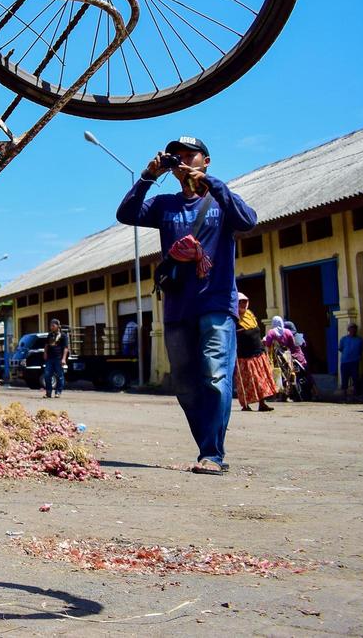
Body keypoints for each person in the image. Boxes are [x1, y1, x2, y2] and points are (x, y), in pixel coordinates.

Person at [117, 135, 256, 475]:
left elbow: (248, 221)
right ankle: (207, 445)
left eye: (189, 156)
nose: (182, 161)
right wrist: (149, 175)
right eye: (175, 156)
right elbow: (126, 214)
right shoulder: (165, 205)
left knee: (215, 374)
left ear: (205, 161)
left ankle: (213, 453)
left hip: (216, 303)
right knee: (185, 383)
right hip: (178, 308)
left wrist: (212, 185)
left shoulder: (221, 201)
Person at [232, 294, 275, 412]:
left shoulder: (250, 315)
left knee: (261, 379)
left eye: (245, 302)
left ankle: (262, 403)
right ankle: (245, 405)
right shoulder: (234, 318)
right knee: (247, 381)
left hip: (258, 353)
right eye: (240, 302)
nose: (243, 304)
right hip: (244, 356)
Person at [43, 319, 69, 398]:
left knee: (60, 376)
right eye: (51, 326)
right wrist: (45, 353)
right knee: (47, 375)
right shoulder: (50, 335)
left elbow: (66, 348)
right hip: (50, 359)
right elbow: (46, 345)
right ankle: (48, 392)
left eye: (53, 326)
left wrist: (64, 359)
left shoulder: (63, 336)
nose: (51, 327)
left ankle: (58, 392)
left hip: (58, 358)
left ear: (58, 326)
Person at [339, 323, 363, 401]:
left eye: (354, 329)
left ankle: (355, 394)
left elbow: (361, 350)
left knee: (355, 378)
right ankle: (344, 395)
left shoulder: (360, 340)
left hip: (354, 361)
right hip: (345, 362)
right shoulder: (343, 339)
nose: (353, 330)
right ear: (348, 330)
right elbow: (341, 348)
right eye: (351, 329)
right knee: (344, 378)